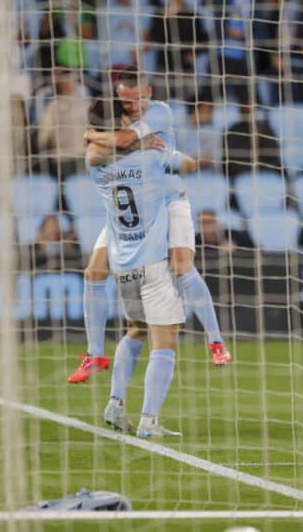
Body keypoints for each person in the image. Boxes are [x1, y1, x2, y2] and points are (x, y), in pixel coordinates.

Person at [68, 66, 232, 384]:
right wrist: (108, 140)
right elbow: (93, 156)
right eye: (126, 102)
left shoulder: (161, 112)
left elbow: (124, 139)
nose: (132, 107)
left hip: (170, 202)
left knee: (182, 266)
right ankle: (94, 354)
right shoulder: (115, 113)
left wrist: (92, 134)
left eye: (138, 100)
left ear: (150, 95)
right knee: (93, 272)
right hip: (133, 205)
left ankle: (216, 341)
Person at [86, 96, 196, 437]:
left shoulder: (95, 164)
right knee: (165, 341)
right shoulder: (151, 158)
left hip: (123, 266)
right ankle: (149, 421)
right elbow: (189, 165)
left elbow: (101, 149)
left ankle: (116, 404)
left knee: (136, 330)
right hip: (153, 263)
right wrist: (146, 141)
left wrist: (96, 136)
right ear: (121, 124)